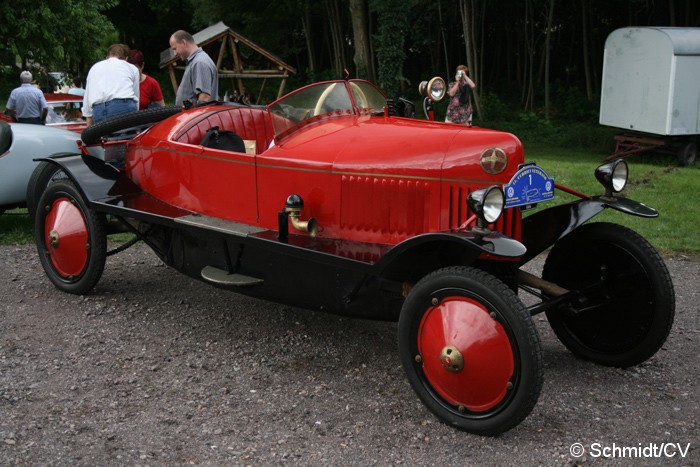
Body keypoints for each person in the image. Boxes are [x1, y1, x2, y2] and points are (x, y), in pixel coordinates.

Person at [82, 44, 140, 125]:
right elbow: (136, 97)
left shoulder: (94, 68)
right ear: (126, 59)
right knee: (126, 137)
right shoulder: (131, 68)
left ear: (107, 57)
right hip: (123, 107)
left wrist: (89, 125)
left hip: (98, 109)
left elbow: (87, 100)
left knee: (105, 137)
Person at [169, 30, 218, 106]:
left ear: (184, 43)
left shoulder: (199, 62)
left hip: (196, 117)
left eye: (175, 49)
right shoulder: (194, 61)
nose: (175, 54)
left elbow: (204, 98)